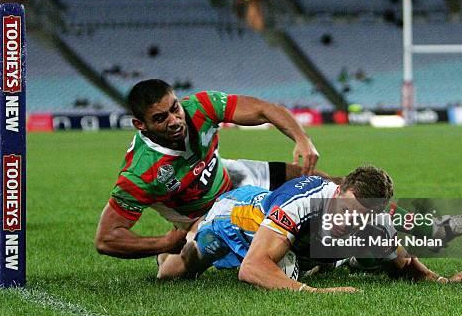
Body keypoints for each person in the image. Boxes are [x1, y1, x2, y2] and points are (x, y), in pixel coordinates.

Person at [157, 166, 462, 292]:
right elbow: (252, 269)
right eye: (346, 211)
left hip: (296, 240)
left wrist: (446, 282)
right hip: (242, 218)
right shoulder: (304, 203)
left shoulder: (373, 220)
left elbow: (405, 266)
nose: (349, 221)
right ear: (338, 192)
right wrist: (315, 294)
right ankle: (181, 236)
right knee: (176, 271)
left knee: (358, 257)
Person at [95, 79, 324, 258]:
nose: (174, 120)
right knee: (173, 271)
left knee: (319, 183)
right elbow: (107, 239)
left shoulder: (200, 107)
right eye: (160, 118)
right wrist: (163, 244)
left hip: (230, 177)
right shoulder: (140, 173)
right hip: (202, 217)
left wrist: (302, 139)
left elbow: (263, 109)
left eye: (175, 109)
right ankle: (167, 258)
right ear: (140, 125)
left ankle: (356, 241)